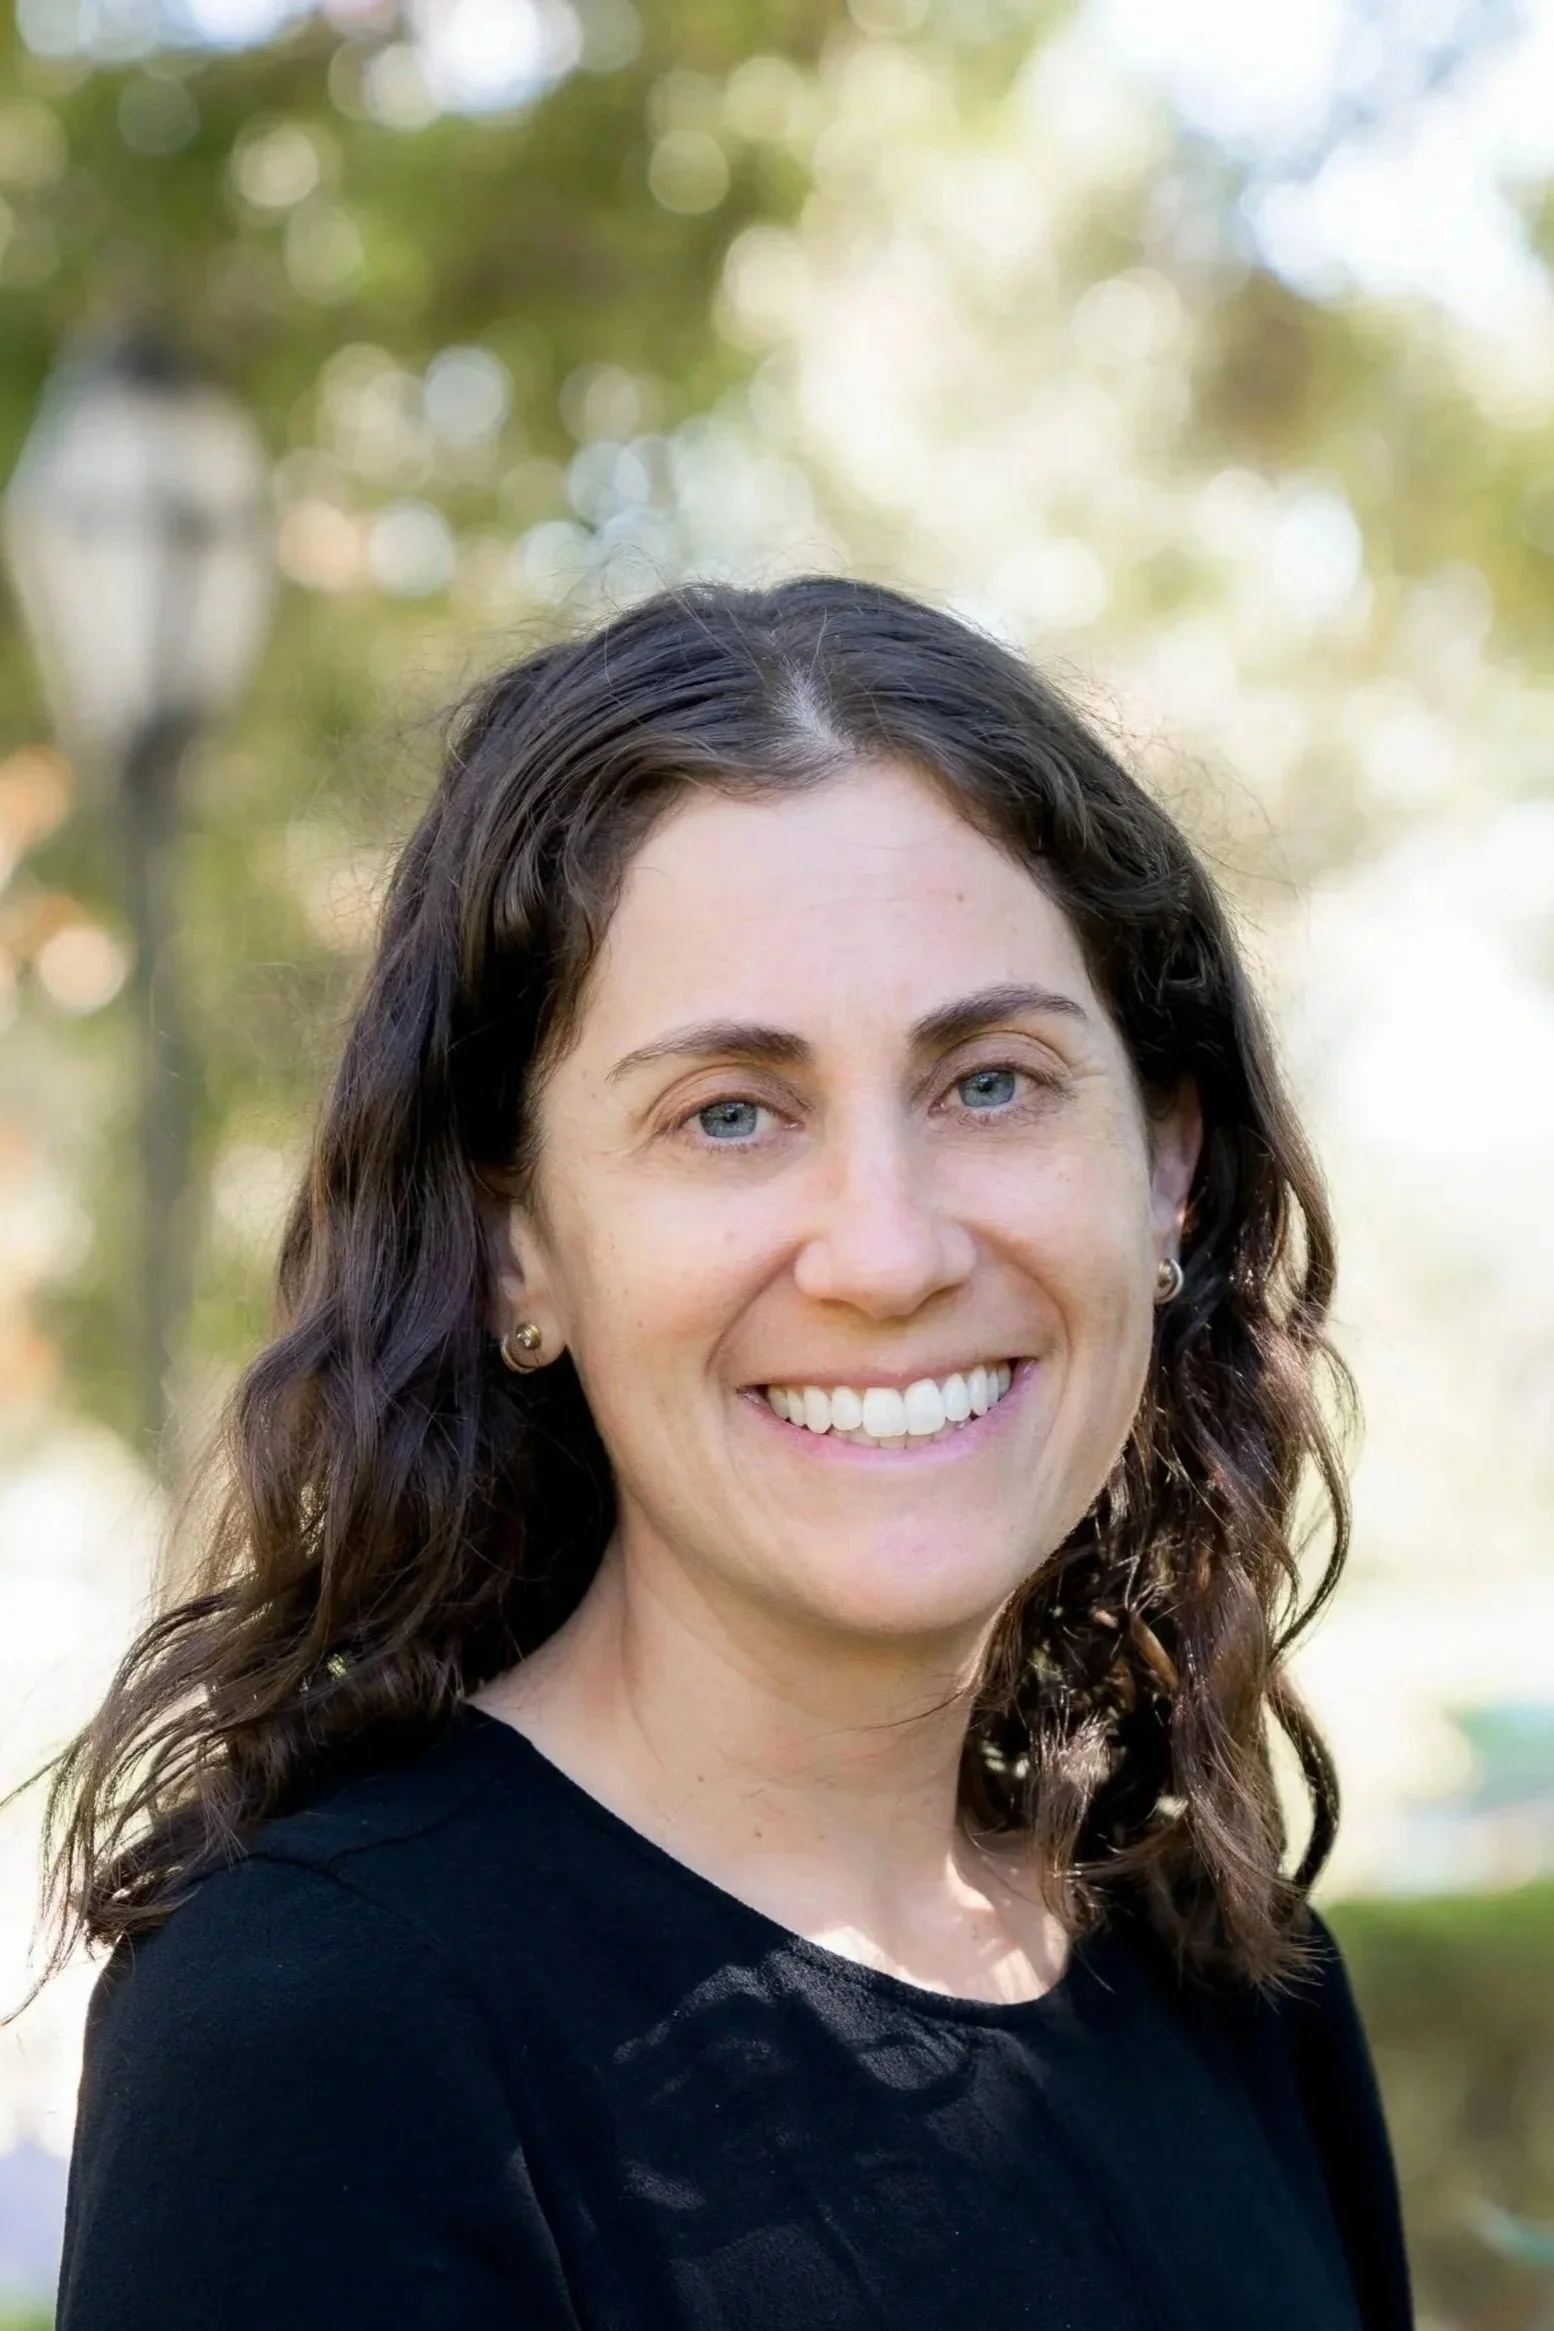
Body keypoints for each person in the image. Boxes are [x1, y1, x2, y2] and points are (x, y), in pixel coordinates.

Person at [49, 578, 1412, 2330]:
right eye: (730, 1115)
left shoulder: (1242, 1992)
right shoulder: (328, 2032)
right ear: (519, 1244)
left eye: (989, 1080)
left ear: (1164, 1167)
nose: (886, 1248)